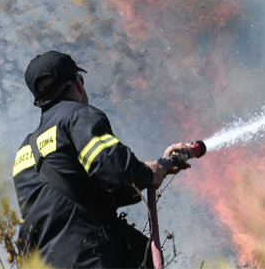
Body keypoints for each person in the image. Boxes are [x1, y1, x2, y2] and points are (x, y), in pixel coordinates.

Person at [12, 50, 193, 268]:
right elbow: (115, 171)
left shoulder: (24, 152)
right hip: (89, 258)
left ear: (40, 100)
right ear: (78, 83)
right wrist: (148, 173)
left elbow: (75, 201)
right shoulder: (78, 117)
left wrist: (159, 167)